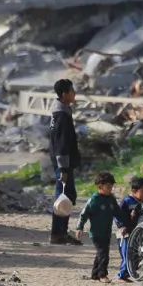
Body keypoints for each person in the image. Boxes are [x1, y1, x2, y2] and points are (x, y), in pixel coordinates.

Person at [49, 78, 82, 246]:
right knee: (63, 197)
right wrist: (63, 168)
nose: (74, 93)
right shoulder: (61, 115)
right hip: (63, 164)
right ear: (64, 94)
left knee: (67, 196)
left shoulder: (62, 111)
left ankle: (61, 231)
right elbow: (61, 143)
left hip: (64, 163)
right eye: (71, 90)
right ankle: (57, 233)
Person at [77, 172, 120, 282]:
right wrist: (79, 227)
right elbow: (84, 213)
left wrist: (125, 223)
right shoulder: (94, 200)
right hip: (96, 233)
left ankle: (95, 274)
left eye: (111, 186)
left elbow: (118, 213)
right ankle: (102, 274)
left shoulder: (111, 199)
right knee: (103, 253)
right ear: (100, 187)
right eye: (108, 186)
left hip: (107, 232)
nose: (110, 189)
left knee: (101, 253)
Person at [115, 175, 143, 282]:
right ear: (134, 191)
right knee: (127, 254)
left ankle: (131, 271)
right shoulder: (127, 201)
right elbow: (118, 214)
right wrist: (122, 226)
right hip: (126, 233)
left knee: (138, 255)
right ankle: (122, 275)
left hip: (139, 234)